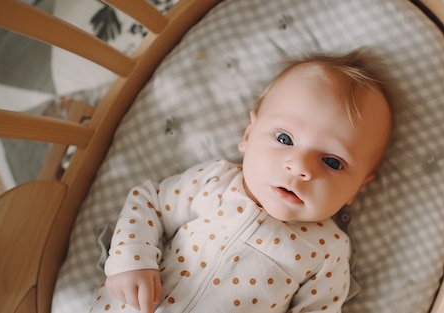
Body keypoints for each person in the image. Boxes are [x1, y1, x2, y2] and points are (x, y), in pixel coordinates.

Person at [89, 50, 393, 313]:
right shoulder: (215, 181)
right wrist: (132, 261)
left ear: (358, 188)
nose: (299, 167)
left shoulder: (328, 251)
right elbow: (150, 203)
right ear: (249, 135)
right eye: (285, 138)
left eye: (332, 162)